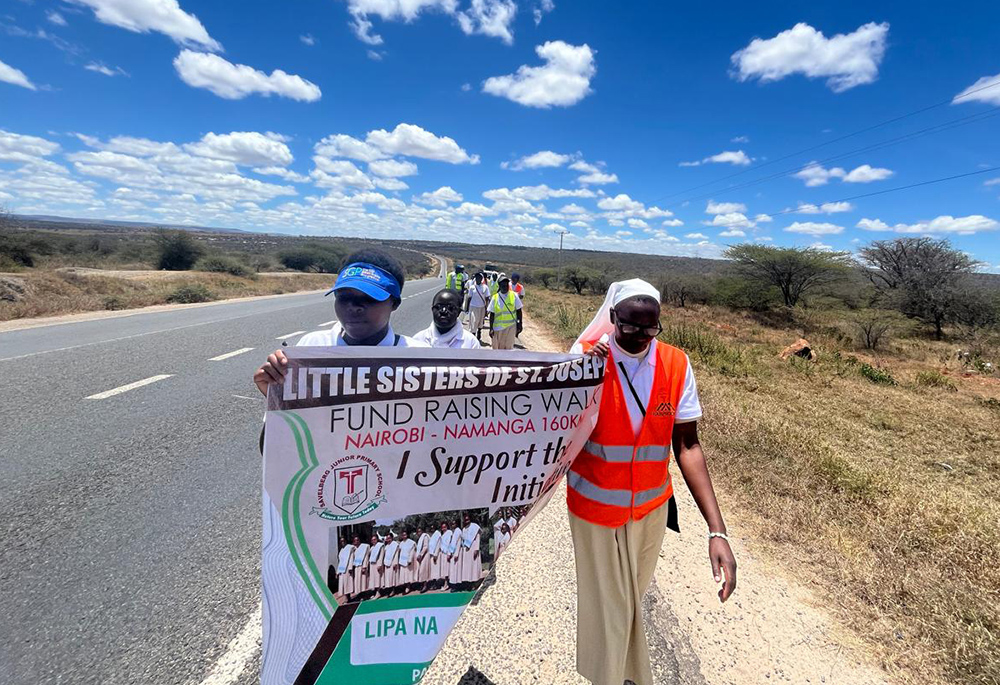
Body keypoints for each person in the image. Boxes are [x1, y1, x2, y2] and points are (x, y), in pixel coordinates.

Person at [568, 279, 737, 685]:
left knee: (628, 604)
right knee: (614, 608)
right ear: (612, 319)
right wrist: (579, 374)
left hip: (649, 511)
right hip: (595, 512)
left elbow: (688, 446)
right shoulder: (586, 360)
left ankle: (611, 674)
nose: (640, 337)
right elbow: (552, 430)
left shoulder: (677, 365)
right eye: (630, 327)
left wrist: (718, 531)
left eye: (650, 329)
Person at [253, 249, 428, 399]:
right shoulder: (311, 348)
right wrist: (276, 398)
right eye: (344, 297)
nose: (353, 307)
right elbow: (282, 435)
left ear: (395, 303)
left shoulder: (421, 360)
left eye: (369, 298)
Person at [412, 289, 481, 349]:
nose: (443, 311)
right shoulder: (418, 340)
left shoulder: (471, 343)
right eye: (439, 307)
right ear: (432, 310)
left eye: (451, 308)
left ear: (458, 312)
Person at [488, 275, 522, 351]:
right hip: (497, 328)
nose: (505, 287)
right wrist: (491, 328)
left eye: (506, 285)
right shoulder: (495, 297)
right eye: (503, 285)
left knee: (508, 348)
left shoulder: (514, 295)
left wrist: (520, 325)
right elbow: (492, 314)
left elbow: (519, 311)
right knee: (497, 348)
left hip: (510, 326)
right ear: (499, 286)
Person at [466, 272, 491, 344]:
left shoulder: (485, 287)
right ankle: (473, 336)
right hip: (473, 307)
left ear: (481, 279)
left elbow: (487, 298)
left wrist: (486, 309)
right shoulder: (472, 287)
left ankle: (479, 333)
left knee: (480, 322)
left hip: (482, 307)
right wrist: (467, 308)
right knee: (473, 321)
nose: (478, 279)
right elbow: (469, 298)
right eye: (477, 278)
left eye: (479, 278)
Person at [459, 514, 482, 588]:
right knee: (468, 567)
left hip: (473, 548)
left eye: (468, 519)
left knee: (473, 566)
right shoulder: (464, 529)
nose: (467, 521)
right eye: (465, 520)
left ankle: (475, 583)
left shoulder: (474, 527)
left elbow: (478, 538)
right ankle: (469, 582)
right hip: (466, 550)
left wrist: (476, 549)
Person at [335, 537, 355, 601]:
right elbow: (340, 561)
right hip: (341, 569)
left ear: (346, 541)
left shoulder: (350, 548)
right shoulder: (341, 550)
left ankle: (348, 597)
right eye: (341, 541)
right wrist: (337, 572)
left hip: (347, 569)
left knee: (347, 583)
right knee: (343, 584)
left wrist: (350, 567)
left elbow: (351, 558)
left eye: (343, 541)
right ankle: (346, 597)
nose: (342, 542)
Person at [351, 534, 369, 600]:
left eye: (357, 540)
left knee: (363, 581)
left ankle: (364, 595)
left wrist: (364, 567)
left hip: (362, 566)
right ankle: (359, 594)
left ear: (359, 540)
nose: (356, 542)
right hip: (356, 566)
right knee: (357, 581)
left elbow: (366, 557)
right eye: (355, 540)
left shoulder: (364, 546)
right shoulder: (354, 548)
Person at [367, 534, 385, 598]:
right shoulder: (372, 547)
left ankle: (378, 592)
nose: (373, 541)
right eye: (372, 540)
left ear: (377, 539)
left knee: (378, 579)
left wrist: (379, 564)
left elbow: (381, 556)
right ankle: (375, 592)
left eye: (374, 539)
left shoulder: (380, 546)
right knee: (373, 579)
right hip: (372, 565)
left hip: (377, 564)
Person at [381, 532, 399, 596]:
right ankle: (389, 589)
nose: (388, 539)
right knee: (388, 578)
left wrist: (395, 563)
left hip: (392, 563)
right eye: (387, 538)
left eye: (389, 538)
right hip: (387, 563)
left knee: (392, 577)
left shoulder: (395, 544)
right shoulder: (386, 546)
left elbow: (396, 554)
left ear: (392, 538)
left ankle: (393, 590)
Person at [415, 526, 432, 591]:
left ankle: (425, 586)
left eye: (420, 531)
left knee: (423, 571)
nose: (419, 533)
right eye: (418, 532)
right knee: (421, 571)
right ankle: (422, 585)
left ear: (422, 531)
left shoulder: (425, 537)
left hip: (425, 556)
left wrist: (420, 555)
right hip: (421, 557)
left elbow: (425, 547)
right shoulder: (420, 538)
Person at [437, 521, 453, 590]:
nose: (443, 529)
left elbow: (450, 543)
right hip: (442, 553)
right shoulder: (442, 535)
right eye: (442, 527)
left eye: (445, 527)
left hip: (447, 553)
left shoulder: (449, 533)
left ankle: (446, 584)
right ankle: (446, 583)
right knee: (444, 569)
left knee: (447, 569)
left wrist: (449, 553)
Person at [447, 520, 462, 589]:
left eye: (454, 523)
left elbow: (458, 543)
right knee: (453, 570)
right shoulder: (454, 531)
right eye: (452, 524)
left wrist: (455, 554)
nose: (452, 525)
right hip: (453, 552)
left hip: (456, 553)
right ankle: (454, 585)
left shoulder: (458, 531)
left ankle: (457, 586)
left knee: (456, 570)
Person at [428, 524, 443, 589]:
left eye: (433, 528)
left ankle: (437, 585)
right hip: (431, 555)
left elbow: (438, 545)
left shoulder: (438, 534)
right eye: (431, 528)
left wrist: (435, 555)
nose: (432, 529)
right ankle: (434, 584)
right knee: (433, 571)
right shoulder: (432, 535)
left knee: (436, 571)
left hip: (436, 555)